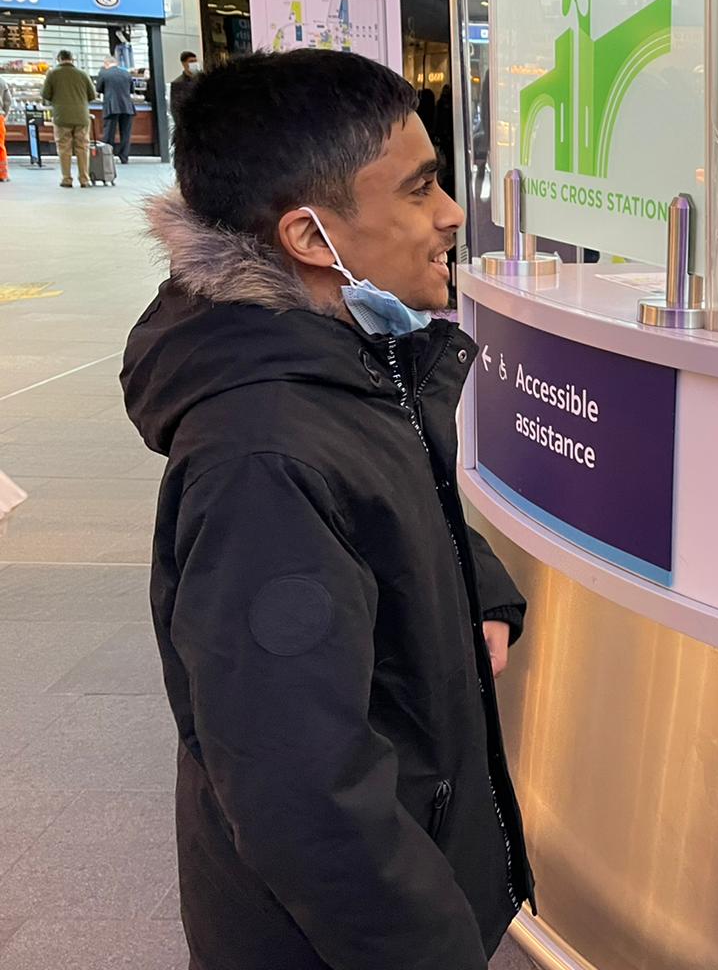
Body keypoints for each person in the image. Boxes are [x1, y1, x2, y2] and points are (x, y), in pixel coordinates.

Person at [121, 49, 535, 969]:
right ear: (312, 237)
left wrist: (480, 585)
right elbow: (296, 783)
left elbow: (388, 501)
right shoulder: (263, 455)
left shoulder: (342, 356)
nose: (451, 215)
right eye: (421, 189)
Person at [41, 49, 95, 188]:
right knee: (83, 148)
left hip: (62, 116)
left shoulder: (53, 74)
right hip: (81, 116)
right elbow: (92, 95)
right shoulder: (82, 74)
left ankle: (67, 179)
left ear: (59, 59)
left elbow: (45, 94)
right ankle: (84, 179)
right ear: (72, 59)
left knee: (64, 148)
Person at [96, 56, 136, 164]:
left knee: (109, 132)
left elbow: (98, 89)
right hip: (127, 106)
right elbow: (132, 90)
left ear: (106, 63)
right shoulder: (126, 73)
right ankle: (124, 157)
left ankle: (108, 156)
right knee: (126, 133)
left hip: (111, 106)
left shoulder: (104, 73)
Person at [169, 50, 200, 126]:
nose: (194, 64)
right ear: (184, 64)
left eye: (195, 61)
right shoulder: (178, 83)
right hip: (187, 123)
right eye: (191, 61)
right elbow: (175, 107)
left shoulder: (201, 79)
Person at [0, 76, 12, 182]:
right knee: (0, 147)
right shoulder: (1, 81)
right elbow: (8, 101)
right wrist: (4, 115)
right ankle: (2, 174)